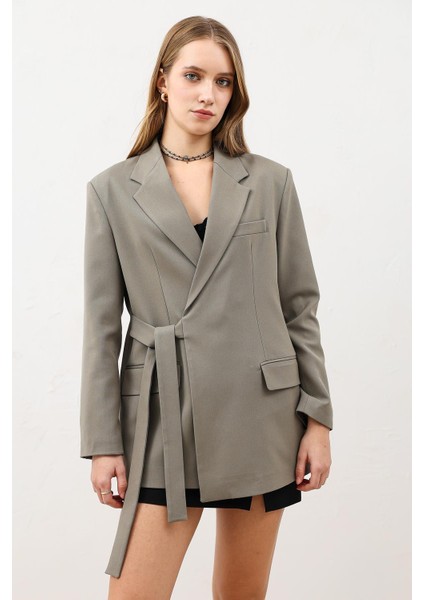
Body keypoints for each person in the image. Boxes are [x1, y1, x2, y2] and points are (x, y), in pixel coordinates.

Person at [80, 15, 333, 600]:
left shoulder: (270, 182)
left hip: (261, 412)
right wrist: (104, 442)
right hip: (163, 415)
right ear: (163, 81)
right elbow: (100, 329)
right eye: (193, 76)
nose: (208, 94)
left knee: (240, 594)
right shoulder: (111, 190)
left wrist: (318, 420)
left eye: (223, 82)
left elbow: (300, 307)